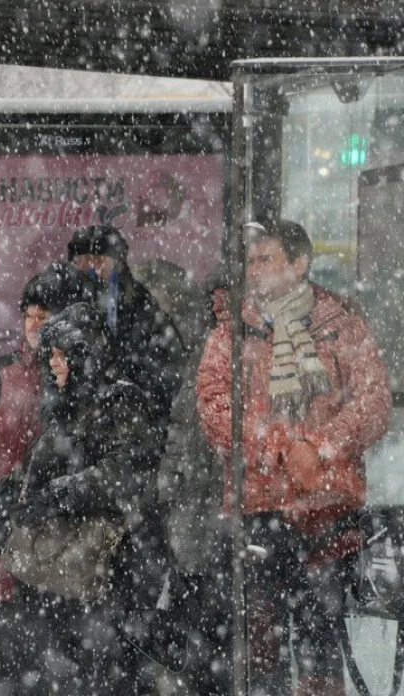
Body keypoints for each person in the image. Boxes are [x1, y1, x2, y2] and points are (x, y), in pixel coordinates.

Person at [197, 220, 390, 696]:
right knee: (260, 645)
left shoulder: (340, 323)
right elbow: (215, 408)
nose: (254, 269)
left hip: (326, 509)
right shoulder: (232, 331)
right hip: (257, 511)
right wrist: (282, 448)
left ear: (300, 264)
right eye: (251, 260)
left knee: (320, 638)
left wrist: (321, 448)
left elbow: (373, 402)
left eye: (266, 259)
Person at [6, 302, 163, 695]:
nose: (55, 364)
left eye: (63, 355)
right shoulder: (65, 405)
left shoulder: (119, 400)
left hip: (109, 573)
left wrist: (60, 494)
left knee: (100, 674)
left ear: (84, 355)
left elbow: (121, 474)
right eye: (51, 356)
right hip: (64, 573)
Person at [0, 262, 88, 696]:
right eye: (29, 315)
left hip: (57, 540)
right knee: (3, 657)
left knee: (53, 657)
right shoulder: (4, 375)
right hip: (5, 534)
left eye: (45, 315)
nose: (35, 324)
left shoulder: (77, 380)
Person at [158, 267, 233, 696]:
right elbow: (181, 431)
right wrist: (171, 484)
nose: (219, 307)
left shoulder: (254, 352)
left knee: (222, 625)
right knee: (201, 624)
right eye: (215, 299)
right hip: (198, 512)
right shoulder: (204, 356)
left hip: (227, 512)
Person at [66, 224, 185, 423]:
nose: (94, 267)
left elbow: (157, 354)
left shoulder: (133, 298)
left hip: (135, 399)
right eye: (90, 261)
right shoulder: (100, 293)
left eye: (99, 260)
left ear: (115, 260)